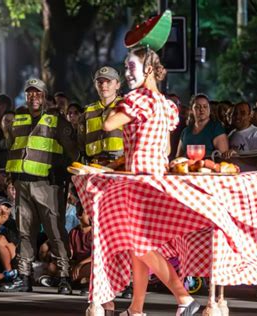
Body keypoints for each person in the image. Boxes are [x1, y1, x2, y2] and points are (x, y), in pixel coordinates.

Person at [103, 46, 199, 315]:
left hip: (141, 182)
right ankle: (136, 308)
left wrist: (118, 103)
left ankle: (185, 299)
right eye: (125, 67)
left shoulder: (139, 100)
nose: (126, 73)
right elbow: (167, 151)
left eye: (130, 67)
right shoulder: (167, 105)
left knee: (139, 244)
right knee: (140, 248)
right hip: (156, 179)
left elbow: (108, 125)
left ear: (147, 69)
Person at [0, 78, 78, 295]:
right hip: (22, 183)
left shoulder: (56, 120)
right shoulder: (19, 118)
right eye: (30, 93)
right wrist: (10, 179)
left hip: (48, 185)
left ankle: (64, 277)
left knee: (55, 232)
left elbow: (73, 152)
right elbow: (13, 150)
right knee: (25, 232)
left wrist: (63, 176)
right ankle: (24, 277)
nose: (34, 97)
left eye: (38, 93)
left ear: (45, 96)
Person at [78, 66, 124, 164]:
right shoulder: (87, 112)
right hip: (94, 165)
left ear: (118, 85)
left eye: (109, 82)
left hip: (120, 165)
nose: (104, 85)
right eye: (100, 82)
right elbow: (81, 142)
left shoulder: (126, 107)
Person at [176, 94, 229, 158]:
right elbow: (178, 157)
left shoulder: (216, 128)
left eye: (205, 106)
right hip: (187, 167)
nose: (201, 109)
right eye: (198, 107)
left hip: (208, 166)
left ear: (209, 109)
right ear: (192, 110)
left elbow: (224, 156)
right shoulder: (185, 131)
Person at [223, 102, 257, 171]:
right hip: (233, 175)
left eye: (242, 113)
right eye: (235, 113)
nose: (238, 116)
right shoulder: (232, 133)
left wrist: (238, 155)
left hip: (251, 177)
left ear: (250, 116)